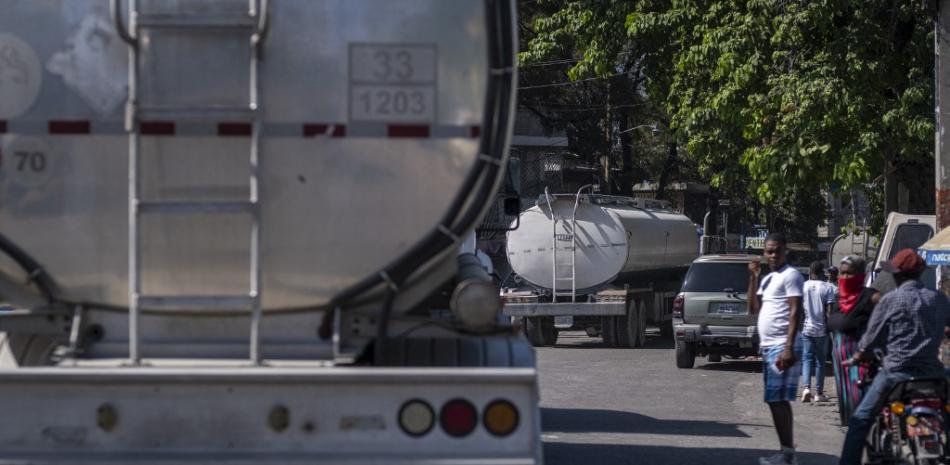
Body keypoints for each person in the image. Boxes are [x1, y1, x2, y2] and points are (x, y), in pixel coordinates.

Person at [838, 249, 950, 465]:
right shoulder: (939, 300)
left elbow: (869, 340)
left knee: (859, 421)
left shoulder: (891, 300)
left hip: (896, 375)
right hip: (934, 375)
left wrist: (859, 355)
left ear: (898, 275)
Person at [748, 233, 804, 465]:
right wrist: (753, 277)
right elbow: (753, 308)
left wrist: (788, 346)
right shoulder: (769, 278)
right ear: (764, 253)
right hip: (769, 346)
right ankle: (787, 452)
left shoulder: (791, 275)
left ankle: (787, 454)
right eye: (769, 251)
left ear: (785, 251)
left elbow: (795, 311)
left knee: (777, 399)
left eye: (777, 251)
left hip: (782, 345)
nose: (772, 255)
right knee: (776, 399)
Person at [825, 255, 880, 426]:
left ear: (860, 275)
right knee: (848, 405)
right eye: (842, 274)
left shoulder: (871, 297)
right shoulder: (839, 298)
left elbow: (886, 318)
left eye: (849, 273)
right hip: (841, 362)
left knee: (861, 404)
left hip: (859, 361)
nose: (844, 278)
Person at [800, 261, 835, 403]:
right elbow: (829, 312)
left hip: (807, 328)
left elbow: (799, 308)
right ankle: (819, 393)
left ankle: (806, 388)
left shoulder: (803, 286)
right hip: (822, 330)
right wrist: (831, 329)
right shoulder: (828, 287)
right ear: (822, 272)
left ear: (810, 272)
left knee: (807, 359)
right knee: (820, 362)